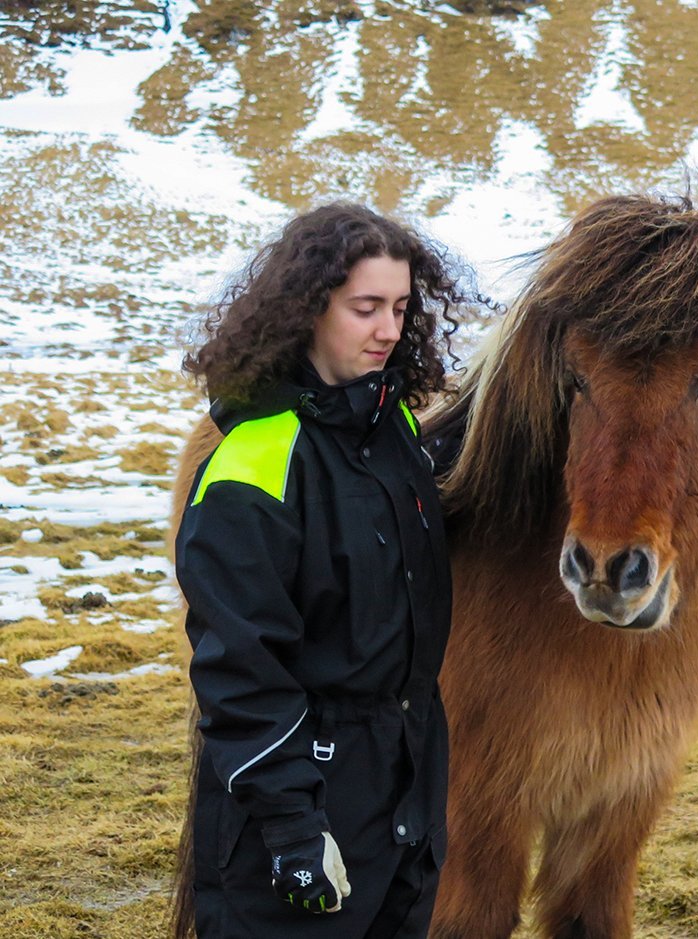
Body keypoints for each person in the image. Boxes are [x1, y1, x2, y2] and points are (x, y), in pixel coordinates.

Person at [175, 203, 475, 938]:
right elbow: (241, 667)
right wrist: (291, 830)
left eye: (401, 308)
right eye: (365, 307)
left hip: (401, 797)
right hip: (297, 806)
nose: (389, 330)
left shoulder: (394, 431)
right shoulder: (257, 461)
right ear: (309, 309)